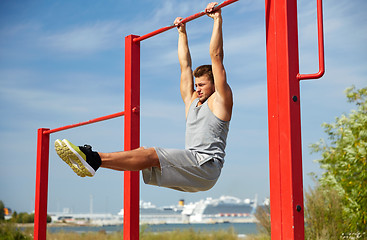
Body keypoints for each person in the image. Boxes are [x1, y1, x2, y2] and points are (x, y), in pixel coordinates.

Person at [54, 2, 233, 192]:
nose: (197, 89)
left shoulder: (220, 100)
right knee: (142, 155)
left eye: (202, 85)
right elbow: (185, 66)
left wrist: (217, 20)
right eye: (196, 85)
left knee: (151, 154)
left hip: (206, 166)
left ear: (214, 85)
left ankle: (93, 158)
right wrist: (181, 33)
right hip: (193, 167)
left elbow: (216, 56)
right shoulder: (191, 102)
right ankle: (93, 164)